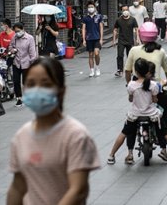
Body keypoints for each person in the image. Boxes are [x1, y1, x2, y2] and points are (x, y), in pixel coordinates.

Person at [7, 57, 100, 205]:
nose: (37, 90)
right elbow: (18, 187)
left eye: (46, 84)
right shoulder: (21, 137)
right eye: (31, 84)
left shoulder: (76, 136)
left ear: (61, 90)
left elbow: (78, 189)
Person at [121, 23, 167, 164]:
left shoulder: (134, 50)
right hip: (156, 89)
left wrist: (129, 84)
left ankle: (129, 154)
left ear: (141, 35)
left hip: (138, 89)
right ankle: (163, 144)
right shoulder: (160, 51)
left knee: (131, 122)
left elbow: (127, 71)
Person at [10, 22, 37, 106]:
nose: (17, 33)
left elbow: (32, 52)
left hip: (27, 62)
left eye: (18, 31)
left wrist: (32, 63)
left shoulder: (29, 38)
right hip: (16, 62)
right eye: (15, 31)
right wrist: (12, 50)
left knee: (25, 82)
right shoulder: (14, 37)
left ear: (22, 29)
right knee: (16, 81)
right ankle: (19, 98)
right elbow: (10, 47)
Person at [113, 6, 139, 77]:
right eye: (123, 10)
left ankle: (130, 69)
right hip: (121, 40)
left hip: (130, 40)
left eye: (126, 9)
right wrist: (114, 40)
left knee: (130, 56)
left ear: (128, 10)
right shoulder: (118, 20)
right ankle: (119, 70)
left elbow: (136, 29)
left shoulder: (132, 19)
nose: (125, 11)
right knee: (120, 55)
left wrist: (137, 39)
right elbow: (115, 29)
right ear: (121, 11)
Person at [81, 1, 104, 77]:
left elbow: (101, 27)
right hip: (89, 38)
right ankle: (91, 70)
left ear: (94, 8)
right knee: (90, 55)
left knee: (96, 53)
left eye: (92, 7)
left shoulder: (98, 16)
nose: (90, 8)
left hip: (97, 38)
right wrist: (84, 39)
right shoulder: (85, 18)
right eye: (89, 7)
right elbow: (83, 29)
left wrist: (101, 38)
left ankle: (97, 68)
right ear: (87, 9)